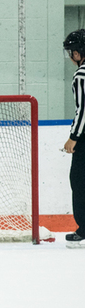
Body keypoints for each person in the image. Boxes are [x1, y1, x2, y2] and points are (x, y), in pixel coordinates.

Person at [63, 29, 85, 249]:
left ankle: (84, 229)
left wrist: (73, 137)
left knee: (79, 181)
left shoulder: (82, 74)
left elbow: (84, 110)